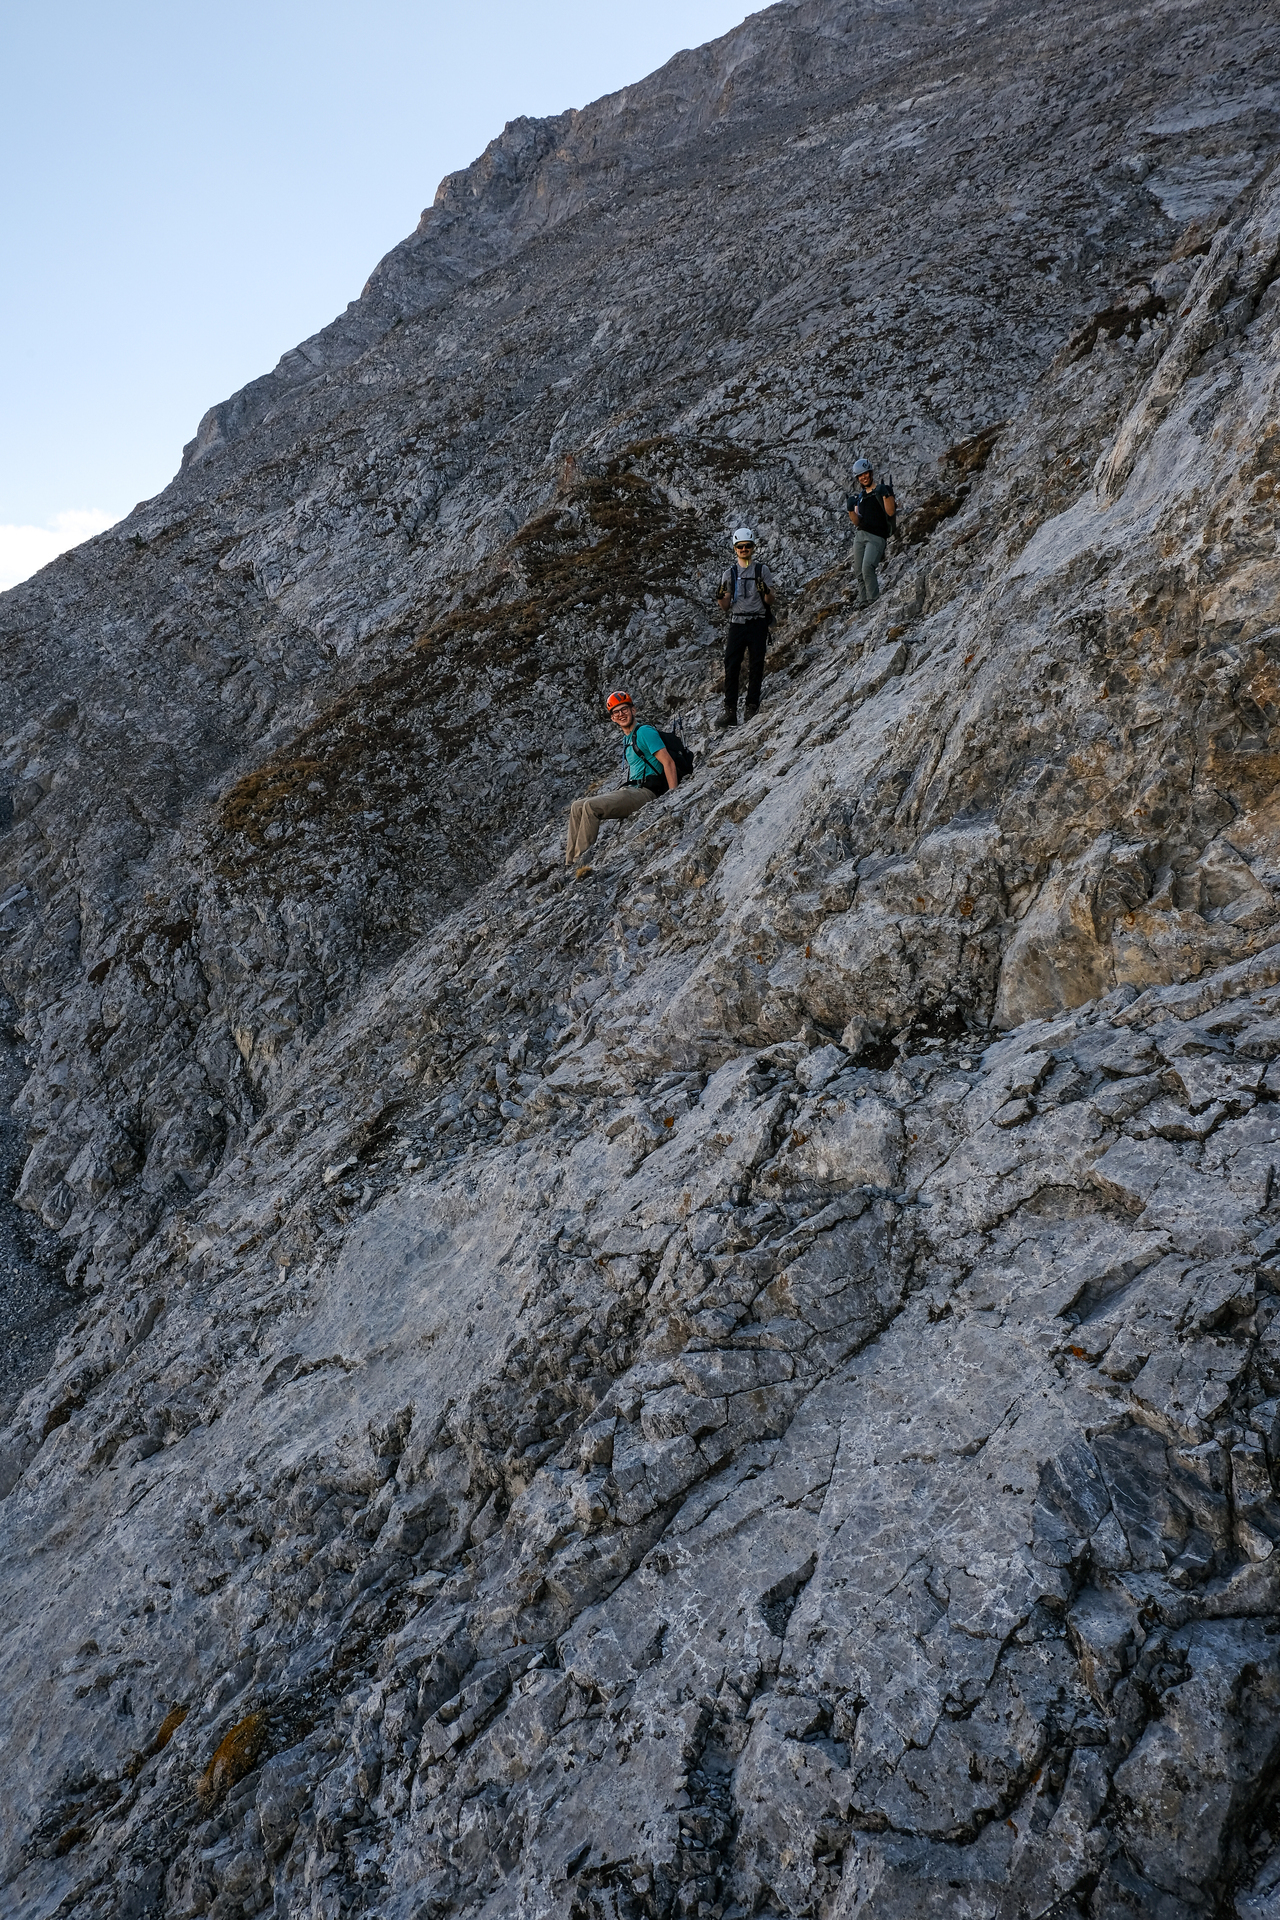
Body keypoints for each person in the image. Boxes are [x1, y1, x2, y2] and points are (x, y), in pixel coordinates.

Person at [564, 690, 679, 868]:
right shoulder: (627, 739)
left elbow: (668, 762)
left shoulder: (644, 732)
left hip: (647, 792)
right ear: (612, 718)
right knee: (577, 806)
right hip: (633, 790)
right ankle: (570, 863)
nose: (621, 714)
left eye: (624, 709)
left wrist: (674, 795)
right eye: (616, 712)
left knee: (591, 807)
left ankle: (581, 863)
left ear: (633, 710)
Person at [715, 526, 775, 729]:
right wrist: (720, 597)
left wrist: (765, 591)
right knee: (731, 665)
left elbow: (770, 599)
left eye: (747, 546)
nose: (744, 549)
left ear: (753, 547)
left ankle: (751, 705)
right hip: (738, 623)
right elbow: (725, 606)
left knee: (756, 665)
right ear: (735, 548)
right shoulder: (729, 574)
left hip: (757, 621)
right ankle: (730, 710)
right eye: (740, 546)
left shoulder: (762, 570)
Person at [845, 459, 896, 607]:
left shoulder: (883, 490)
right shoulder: (860, 497)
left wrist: (885, 494)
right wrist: (850, 510)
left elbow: (891, 512)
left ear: (871, 473)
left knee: (867, 567)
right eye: (860, 475)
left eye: (865, 473)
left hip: (877, 537)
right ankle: (863, 602)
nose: (864, 477)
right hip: (860, 535)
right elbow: (856, 522)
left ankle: (873, 601)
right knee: (858, 571)